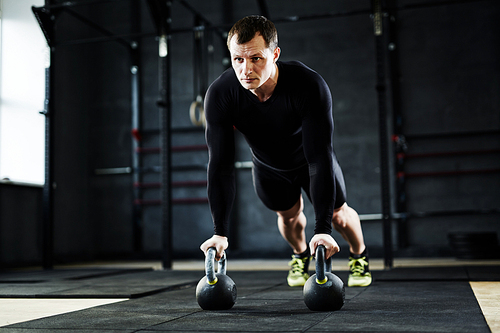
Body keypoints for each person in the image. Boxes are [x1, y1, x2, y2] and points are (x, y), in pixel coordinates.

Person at [200, 15, 372, 288]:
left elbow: (319, 157)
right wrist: (220, 233)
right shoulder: (221, 94)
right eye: (238, 60)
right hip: (269, 168)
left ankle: (359, 256)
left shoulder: (308, 85)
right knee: (289, 217)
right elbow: (220, 165)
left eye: (256, 58)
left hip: (311, 161)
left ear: (275, 54)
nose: (246, 69)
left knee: (339, 214)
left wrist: (323, 230)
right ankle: (300, 255)